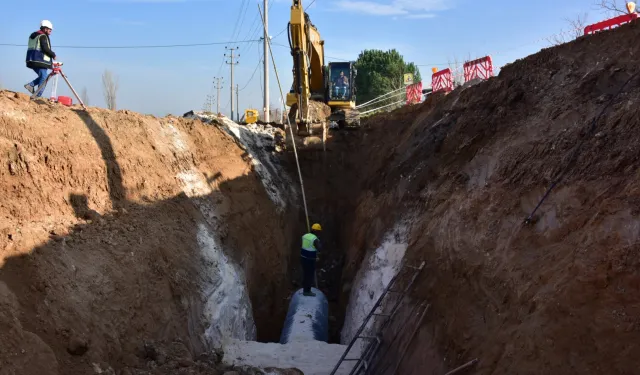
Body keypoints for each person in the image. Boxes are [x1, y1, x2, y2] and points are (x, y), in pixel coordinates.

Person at [24, 20, 56, 97]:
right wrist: (53, 55)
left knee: (43, 76)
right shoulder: (43, 36)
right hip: (40, 60)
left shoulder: (34, 35)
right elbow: (45, 48)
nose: (51, 31)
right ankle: (38, 95)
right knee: (44, 77)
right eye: (50, 29)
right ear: (45, 29)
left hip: (31, 59)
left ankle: (30, 85)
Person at [300, 223, 323, 296]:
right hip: (310, 260)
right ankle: (307, 291)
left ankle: (304, 287)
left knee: (305, 274)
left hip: (303, 258)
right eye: (319, 232)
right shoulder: (315, 239)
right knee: (309, 275)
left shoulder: (305, 236)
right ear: (316, 231)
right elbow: (320, 248)